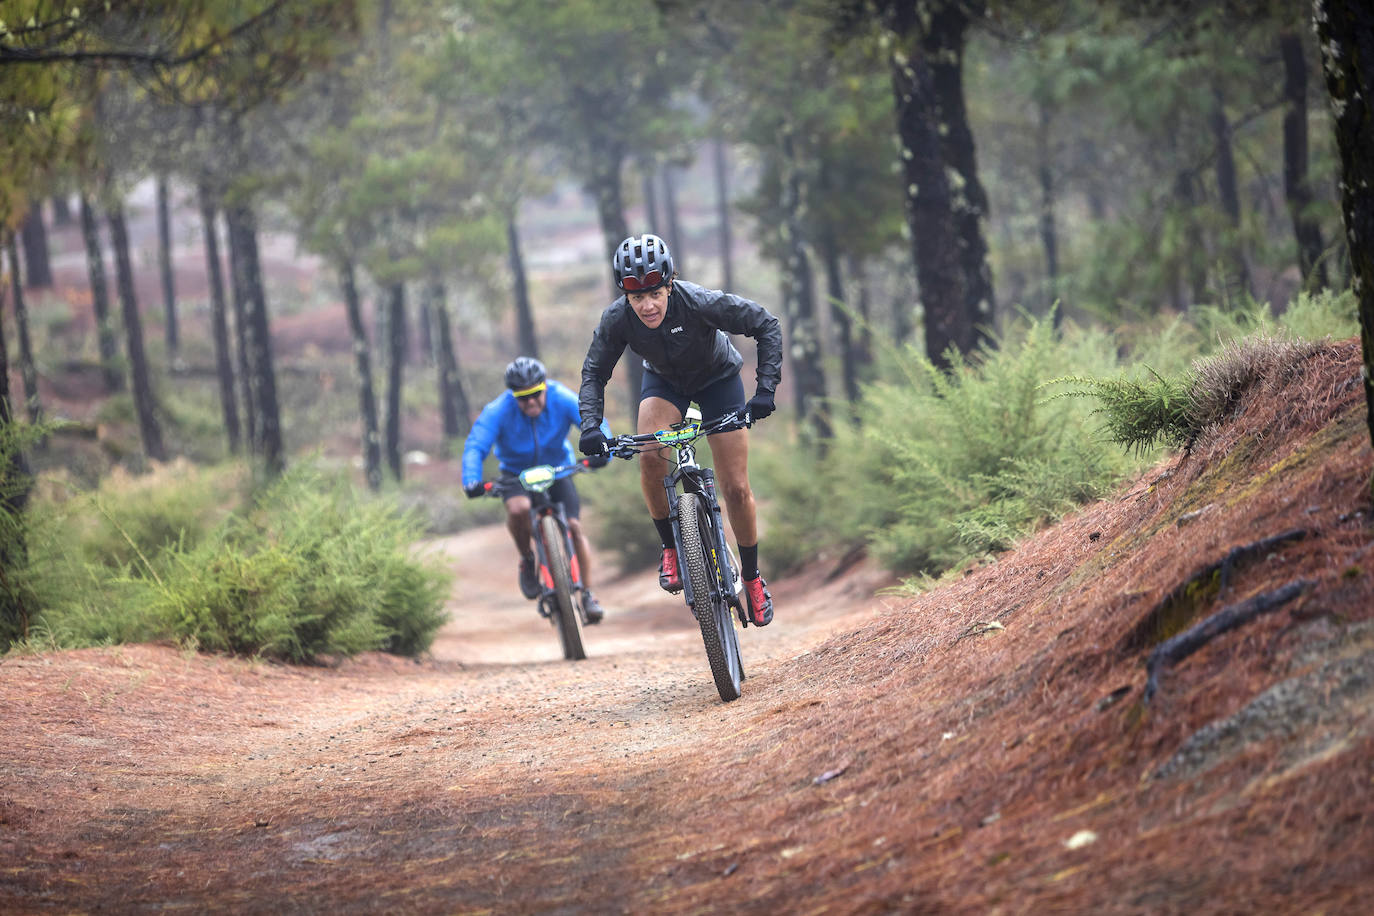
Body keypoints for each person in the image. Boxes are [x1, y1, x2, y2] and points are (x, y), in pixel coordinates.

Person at [577, 233, 783, 626]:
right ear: (625, 296)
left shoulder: (699, 302)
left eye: (655, 293)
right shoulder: (617, 319)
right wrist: (591, 426)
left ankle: (753, 578)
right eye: (637, 298)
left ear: (669, 284)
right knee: (652, 460)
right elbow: (594, 373)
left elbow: (765, 324)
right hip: (665, 384)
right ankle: (671, 546)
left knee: (736, 487)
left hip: (718, 380)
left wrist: (765, 390)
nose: (648, 305)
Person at [462, 357, 611, 623]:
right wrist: (472, 479)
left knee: (575, 527)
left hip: (557, 469)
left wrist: (602, 448)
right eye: (522, 397)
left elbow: (591, 419)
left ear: (544, 387)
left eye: (535, 394)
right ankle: (527, 558)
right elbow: (476, 445)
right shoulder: (498, 410)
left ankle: (588, 594)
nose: (530, 402)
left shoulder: (559, 396)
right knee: (518, 509)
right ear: (513, 395)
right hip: (516, 474)